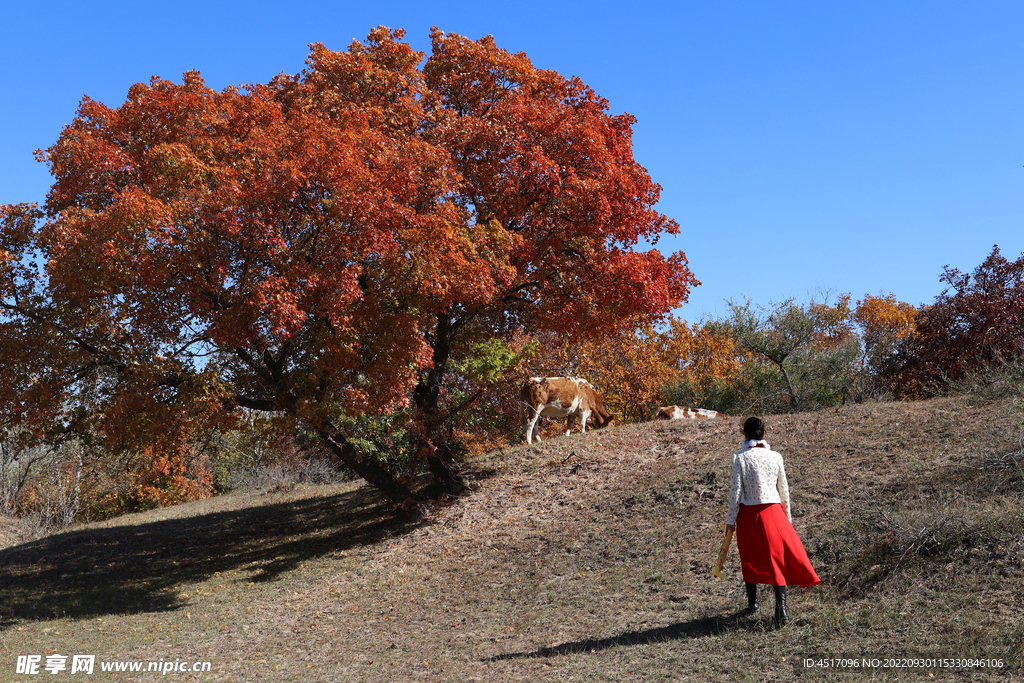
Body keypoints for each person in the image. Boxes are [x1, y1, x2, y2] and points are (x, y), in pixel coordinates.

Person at [725, 416, 819, 626]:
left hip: (749, 514)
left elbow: (736, 492)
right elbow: (783, 489)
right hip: (774, 512)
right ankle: (781, 609)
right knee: (776, 559)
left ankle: (753, 603)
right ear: (764, 434)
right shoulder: (776, 456)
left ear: (745, 435)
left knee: (749, 555)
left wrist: (730, 520)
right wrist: (787, 518)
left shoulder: (739, 458)